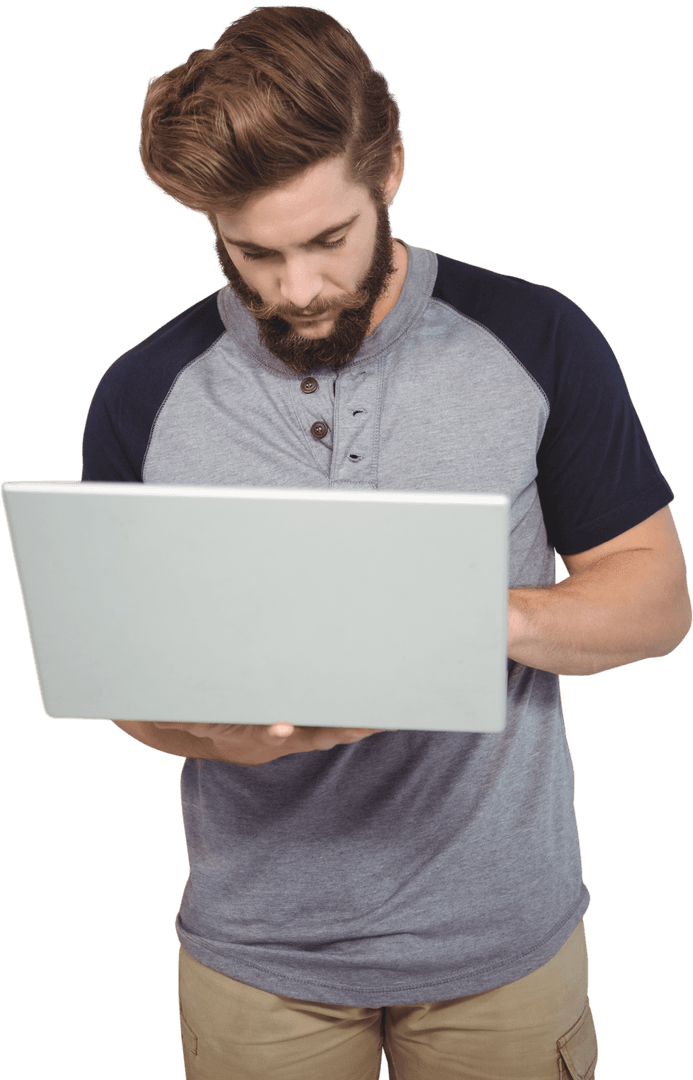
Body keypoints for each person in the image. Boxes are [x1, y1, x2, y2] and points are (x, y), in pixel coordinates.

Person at [81, 7, 691, 1079]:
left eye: (329, 240)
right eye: (252, 253)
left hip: (504, 949)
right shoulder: (142, 393)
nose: (297, 289)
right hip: (253, 960)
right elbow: (122, 681)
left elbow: (655, 603)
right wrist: (219, 736)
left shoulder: (540, 337)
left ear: (392, 170)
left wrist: (464, 616)